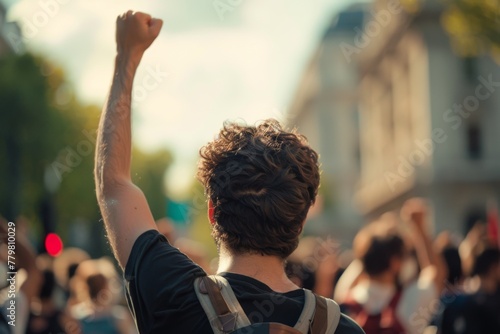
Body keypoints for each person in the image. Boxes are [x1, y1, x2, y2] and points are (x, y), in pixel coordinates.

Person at [94, 10, 364, 334]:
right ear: (302, 221)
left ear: (212, 213)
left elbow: (114, 185)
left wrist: (127, 57)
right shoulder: (344, 329)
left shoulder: (172, 296)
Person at [339, 199, 446, 334]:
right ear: (395, 262)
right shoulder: (410, 301)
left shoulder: (345, 301)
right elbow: (436, 271)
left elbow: (356, 268)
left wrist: (373, 244)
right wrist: (419, 226)